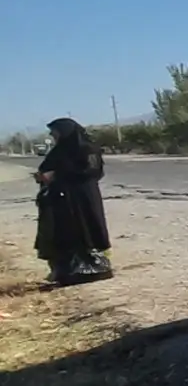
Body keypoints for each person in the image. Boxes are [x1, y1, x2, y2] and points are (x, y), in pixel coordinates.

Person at [33, 118, 113, 285]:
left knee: (86, 228)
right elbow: (47, 168)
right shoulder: (58, 151)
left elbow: (91, 171)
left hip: (83, 197)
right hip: (62, 200)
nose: (52, 135)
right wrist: (44, 177)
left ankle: (92, 268)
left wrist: (57, 175)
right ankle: (67, 271)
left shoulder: (87, 149)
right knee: (64, 232)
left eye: (55, 131)